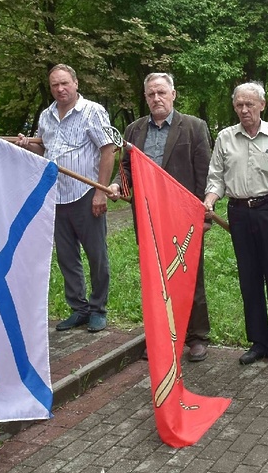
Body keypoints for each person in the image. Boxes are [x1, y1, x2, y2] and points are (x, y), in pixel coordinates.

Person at [108, 73, 213, 362]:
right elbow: (126, 168)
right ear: (145, 98)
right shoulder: (133, 130)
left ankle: (197, 336)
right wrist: (118, 184)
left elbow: (204, 173)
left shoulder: (193, 127)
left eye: (161, 92)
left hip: (183, 216)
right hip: (147, 216)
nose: (157, 98)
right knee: (156, 278)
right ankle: (163, 337)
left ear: (173, 94)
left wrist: (205, 216)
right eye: (151, 94)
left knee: (190, 275)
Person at [204, 81, 268, 369]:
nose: (244, 110)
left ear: (262, 105)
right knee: (249, 278)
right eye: (239, 105)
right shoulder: (225, 137)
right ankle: (258, 342)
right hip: (239, 213)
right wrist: (209, 201)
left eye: (249, 104)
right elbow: (216, 177)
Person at [16, 64, 115, 333]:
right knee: (67, 257)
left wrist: (100, 191)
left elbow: (108, 150)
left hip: (85, 195)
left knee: (96, 256)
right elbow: (45, 148)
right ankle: (79, 308)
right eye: (54, 85)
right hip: (55, 196)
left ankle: (98, 308)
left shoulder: (93, 111)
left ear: (75, 83)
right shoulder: (46, 115)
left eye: (64, 83)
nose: (60, 89)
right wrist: (29, 143)